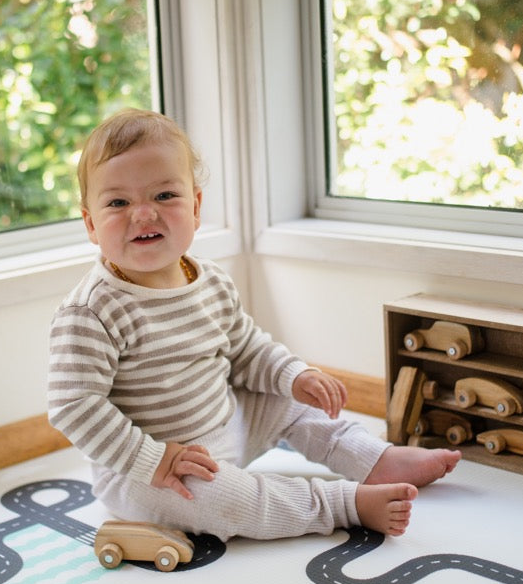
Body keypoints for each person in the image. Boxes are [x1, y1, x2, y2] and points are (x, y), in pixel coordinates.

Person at [47, 108, 460, 541]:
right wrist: (151, 459)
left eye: (165, 196)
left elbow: (245, 348)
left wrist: (292, 375)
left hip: (228, 425)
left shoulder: (209, 280)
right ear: (91, 224)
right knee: (229, 501)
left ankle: (375, 459)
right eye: (118, 203)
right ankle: (340, 504)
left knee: (291, 403)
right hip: (151, 474)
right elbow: (74, 406)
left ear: (196, 205)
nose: (145, 215)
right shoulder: (92, 311)